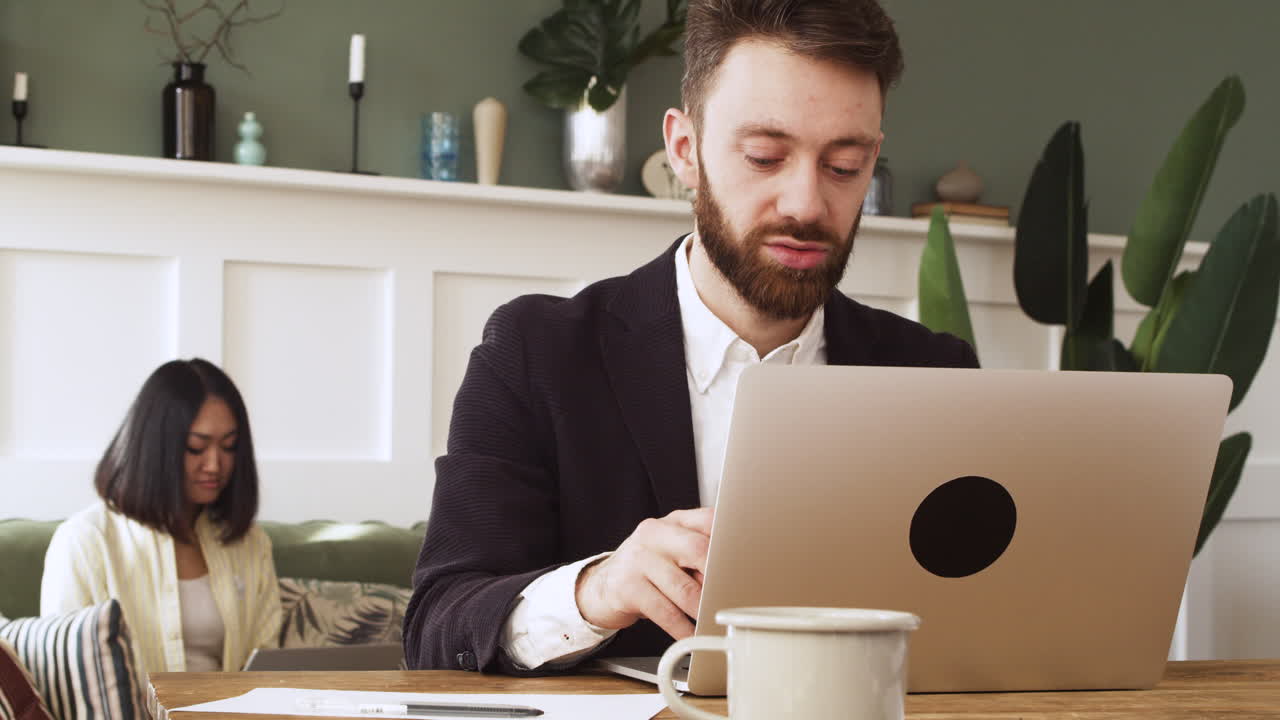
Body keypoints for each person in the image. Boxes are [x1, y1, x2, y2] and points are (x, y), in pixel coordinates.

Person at [404, 0, 978, 674]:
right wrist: (598, 590)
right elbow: (441, 627)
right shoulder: (535, 354)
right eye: (765, 157)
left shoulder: (933, 373)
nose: (805, 204)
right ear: (685, 150)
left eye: (844, 167)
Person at [41, 359, 281, 676]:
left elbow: (266, 662)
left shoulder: (250, 543)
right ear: (155, 448)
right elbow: (65, 678)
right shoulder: (85, 541)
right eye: (197, 447)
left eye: (229, 446)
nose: (214, 464)